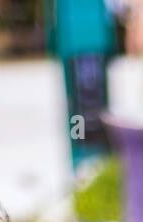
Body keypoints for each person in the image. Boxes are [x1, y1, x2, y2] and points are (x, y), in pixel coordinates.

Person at [44, 0, 117, 169]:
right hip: (79, 40)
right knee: (80, 106)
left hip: (77, 39)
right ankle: (82, 153)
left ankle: (85, 153)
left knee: (82, 106)